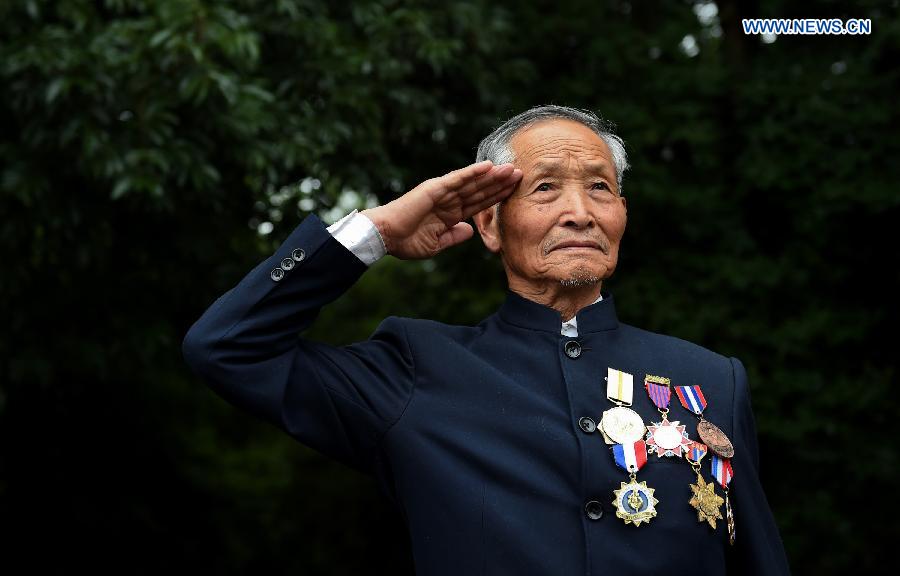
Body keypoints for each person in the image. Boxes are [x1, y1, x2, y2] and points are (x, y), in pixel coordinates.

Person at [182, 105, 791, 575]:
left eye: (600, 187)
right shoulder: (418, 370)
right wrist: (375, 231)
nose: (580, 211)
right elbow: (227, 346)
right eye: (546, 188)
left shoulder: (711, 379)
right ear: (491, 225)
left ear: (623, 214)